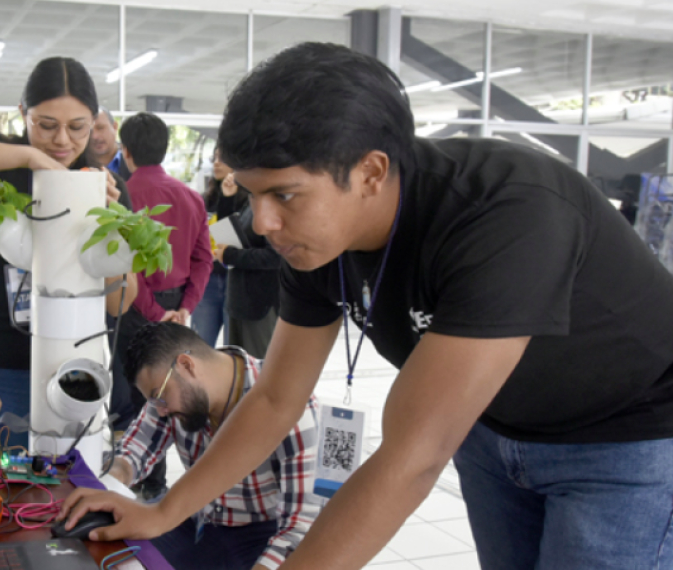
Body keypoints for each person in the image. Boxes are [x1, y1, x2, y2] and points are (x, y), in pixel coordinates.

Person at [59, 42, 673, 570]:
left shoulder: (509, 213)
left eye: (285, 194)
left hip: (623, 439)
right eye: (252, 194)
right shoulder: (314, 239)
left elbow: (413, 454)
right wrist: (159, 510)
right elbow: (275, 397)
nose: (263, 222)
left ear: (373, 172)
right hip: (493, 430)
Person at [0, 57, 135, 451]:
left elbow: (120, 303)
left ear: (95, 120)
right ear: (23, 113)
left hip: (46, 370)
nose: (62, 141)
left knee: (27, 491)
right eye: (46, 125)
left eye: (77, 127)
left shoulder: (104, 186)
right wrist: (28, 158)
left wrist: (110, 227)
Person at [110, 322, 320, 570]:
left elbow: (299, 528)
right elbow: (136, 447)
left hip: (260, 535)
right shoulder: (171, 394)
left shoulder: (290, 406)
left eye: (159, 397)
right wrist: (114, 477)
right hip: (195, 518)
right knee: (119, 558)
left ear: (186, 365)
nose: (161, 410)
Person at [108, 112, 212, 499]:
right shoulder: (191, 197)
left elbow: (128, 269)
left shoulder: (122, 197)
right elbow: (205, 259)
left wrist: (155, 314)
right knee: (178, 394)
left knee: (141, 399)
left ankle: (146, 483)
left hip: (135, 309)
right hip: (180, 311)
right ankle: (179, 484)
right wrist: (185, 308)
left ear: (126, 150)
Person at [193, 150, 247, 347]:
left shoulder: (247, 200)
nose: (217, 163)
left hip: (235, 279)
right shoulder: (206, 198)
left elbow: (236, 241)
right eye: (214, 158)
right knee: (199, 346)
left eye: (223, 158)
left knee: (232, 348)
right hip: (208, 279)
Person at [213, 200, 280, 358]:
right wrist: (226, 197)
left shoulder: (270, 205)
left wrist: (230, 255)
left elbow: (275, 257)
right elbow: (227, 232)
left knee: (258, 366)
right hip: (240, 300)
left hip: (260, 303)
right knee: (239, 367)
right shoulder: (250, 202)